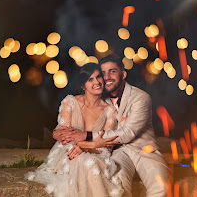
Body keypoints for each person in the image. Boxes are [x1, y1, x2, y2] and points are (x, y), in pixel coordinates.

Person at [54, 54, 168, 197]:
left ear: (123, 74)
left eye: (112, 71)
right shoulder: (101, 99)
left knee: (161, 187)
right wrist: (62, 133)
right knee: (117, 188)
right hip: (118, 151)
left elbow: (127, 133)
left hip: (144, 149)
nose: (107, 76)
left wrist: (86, 136)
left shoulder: (140, 97)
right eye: (103, 73)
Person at [26, 63, 124, 197]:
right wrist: (93, 144)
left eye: (98, 77)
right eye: (90, 79)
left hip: (98, 154)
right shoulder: (70, 102)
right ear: (83, 85)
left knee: (90, 162)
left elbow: (106, 144)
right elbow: (65, 139)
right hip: (68, 153)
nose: (97, 82)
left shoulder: (110, 111)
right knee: (85, 161)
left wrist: (88, 147)